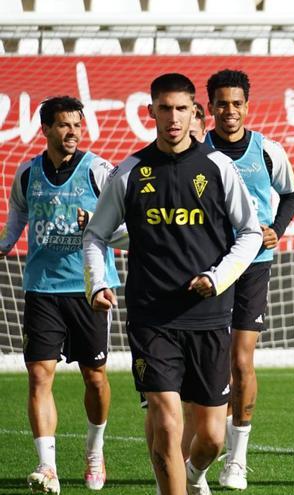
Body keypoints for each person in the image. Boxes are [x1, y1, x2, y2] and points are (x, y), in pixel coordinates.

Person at [83, 73, 262, 495]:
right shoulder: (130, 172)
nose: (173, 117)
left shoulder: (218, 168)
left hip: (209, 317)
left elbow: (251, 233)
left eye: (182, 109)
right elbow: (96, 234)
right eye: (164, 109)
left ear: (195, 113)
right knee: (165, 421)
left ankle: (196, 475)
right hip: (151, 316)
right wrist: (97, 282)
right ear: (151, 112)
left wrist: (217, 278)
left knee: (213, 436)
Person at [0, 96, 121, 494]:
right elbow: (19, 210)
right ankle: (47, 467)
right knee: (38, 375)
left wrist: (98, 223)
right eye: (65, 125)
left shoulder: (99, 171)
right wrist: (6, 242)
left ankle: (94, 451)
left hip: (88, 289)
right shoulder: (28, 172)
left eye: (78, 125)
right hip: (41, 289)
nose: (73, 132)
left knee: (95, 378)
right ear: (46, 129)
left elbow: (129, 222)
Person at [204, 69, 294, 490]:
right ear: (209, 108)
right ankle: (205, 447)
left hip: (254, 264)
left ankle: (237, 460)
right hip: (207, 267)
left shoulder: (268, 151)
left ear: (247, 105)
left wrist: (276, 227)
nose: (229, 110)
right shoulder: (196, 152)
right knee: (212, 361)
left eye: (236, 102)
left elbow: (292, 193)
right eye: (221, 103)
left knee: (241, 360)